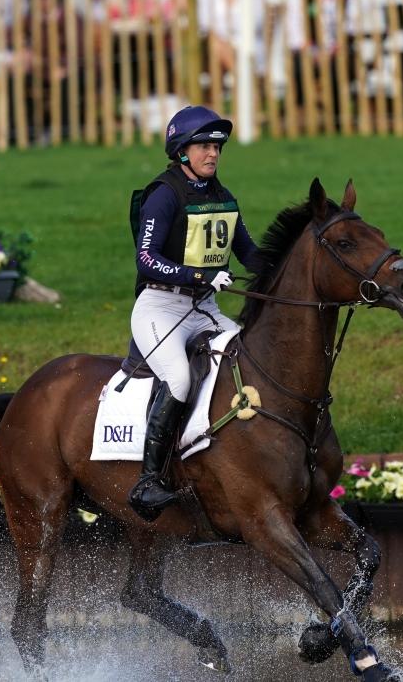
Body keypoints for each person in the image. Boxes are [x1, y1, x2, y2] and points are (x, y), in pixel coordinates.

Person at [127, 105, 262, 521]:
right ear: (182, 151)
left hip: (204, 309)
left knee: (248, 361)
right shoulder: (164, 195)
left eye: (217, 147)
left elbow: (250, 254)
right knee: (180, 378)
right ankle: (148, 481)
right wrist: (200, 275)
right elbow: (146, 259)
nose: (213, 154)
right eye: (204, 146)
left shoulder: (222, 196)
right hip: (160, 308)